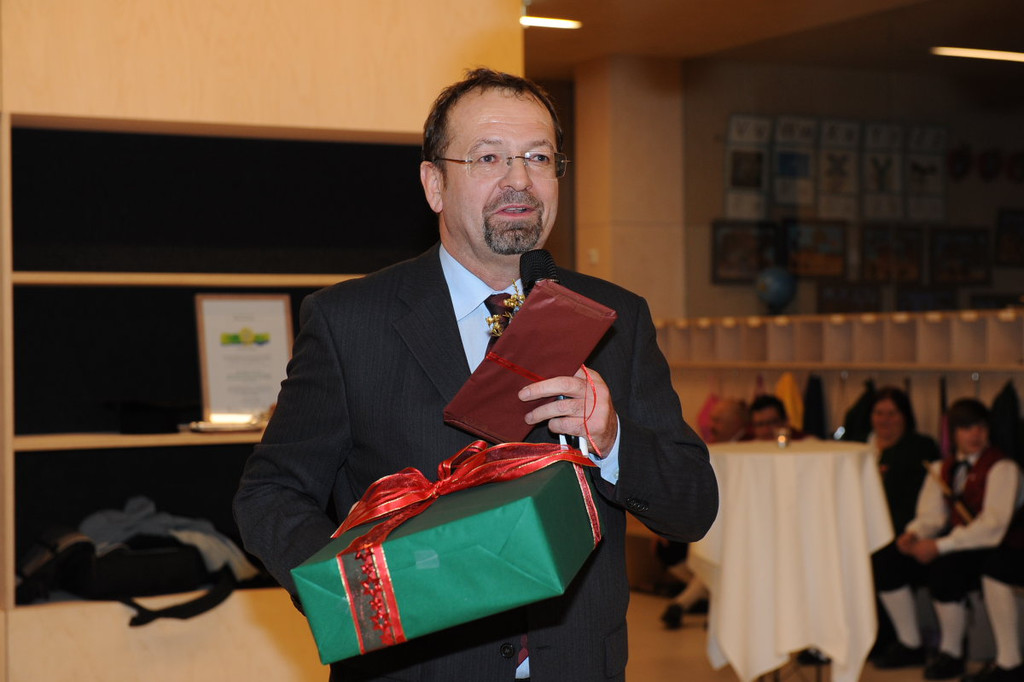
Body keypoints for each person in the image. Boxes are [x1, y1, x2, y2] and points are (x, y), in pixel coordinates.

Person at [233, 68, 719, 682]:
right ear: (434, 184)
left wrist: (613, 440)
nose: (519, 180)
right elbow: (270, 494)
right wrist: (361, 596)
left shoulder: (614, 318)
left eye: (538, 157)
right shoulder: (348, 322)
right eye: (489, 157)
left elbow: (693, 507)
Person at [894, 398, 1024, 681]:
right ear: (953, 434)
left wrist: (939, 546)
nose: (975, 435)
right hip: (972, 544)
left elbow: (993, 527)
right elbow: (933, 516)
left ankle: (1010, 663)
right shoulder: (943, 468)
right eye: (966, 428)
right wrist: (915, 533)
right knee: (943, 570)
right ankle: (951, 653)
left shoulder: (1003, 467)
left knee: (996, 567)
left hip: (1012, 546)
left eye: (980, 428)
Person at [867, 386, 941, 670]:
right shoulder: (862, 446)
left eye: (892, 413)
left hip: (907, 533)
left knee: (883, 559)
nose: (885, 420)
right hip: (866, 532)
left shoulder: (920, 448)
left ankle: (909, 643)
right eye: (879, 413)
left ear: (905, 416)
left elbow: (925, 504)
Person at [659, 397, 748, 629]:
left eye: (718, 420)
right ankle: (709, 598)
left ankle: (684, 602)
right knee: (669, 545)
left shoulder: (748, 449)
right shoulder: (711, 447)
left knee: (721, 550)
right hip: (710, 519)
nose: (711, 425)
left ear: (737, 423)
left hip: (738, 527)